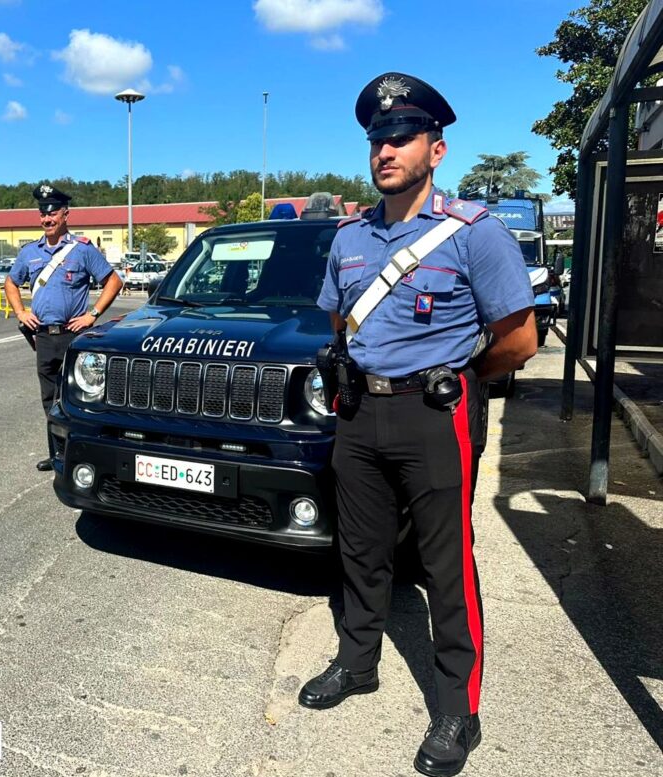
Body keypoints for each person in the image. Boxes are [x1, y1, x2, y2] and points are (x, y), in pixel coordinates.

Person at [304, 72, 537, 777]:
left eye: (401, 137)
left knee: (445, 564)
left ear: (436, 149)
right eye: (377, 138)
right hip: (360, 411)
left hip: (437, 414)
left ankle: (457, 706)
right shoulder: (349, 236)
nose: (385, 150)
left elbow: (519, 339)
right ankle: (357, 661)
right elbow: (337, 318)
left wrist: (454, 375)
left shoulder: (474, 232)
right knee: (361, 550)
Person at [5, 184, 123, 471]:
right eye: (42, 214)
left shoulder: (82, 250)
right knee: (50, 398)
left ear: (65, 214)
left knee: (82, 396)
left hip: (75, 335)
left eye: (53, 213)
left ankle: (85, 454)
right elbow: (11, 282)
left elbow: (114, 282)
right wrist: (21, 311)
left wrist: (92, 314)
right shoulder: (29, 252)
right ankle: (56, 454)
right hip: (44, 336)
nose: (47, 219)